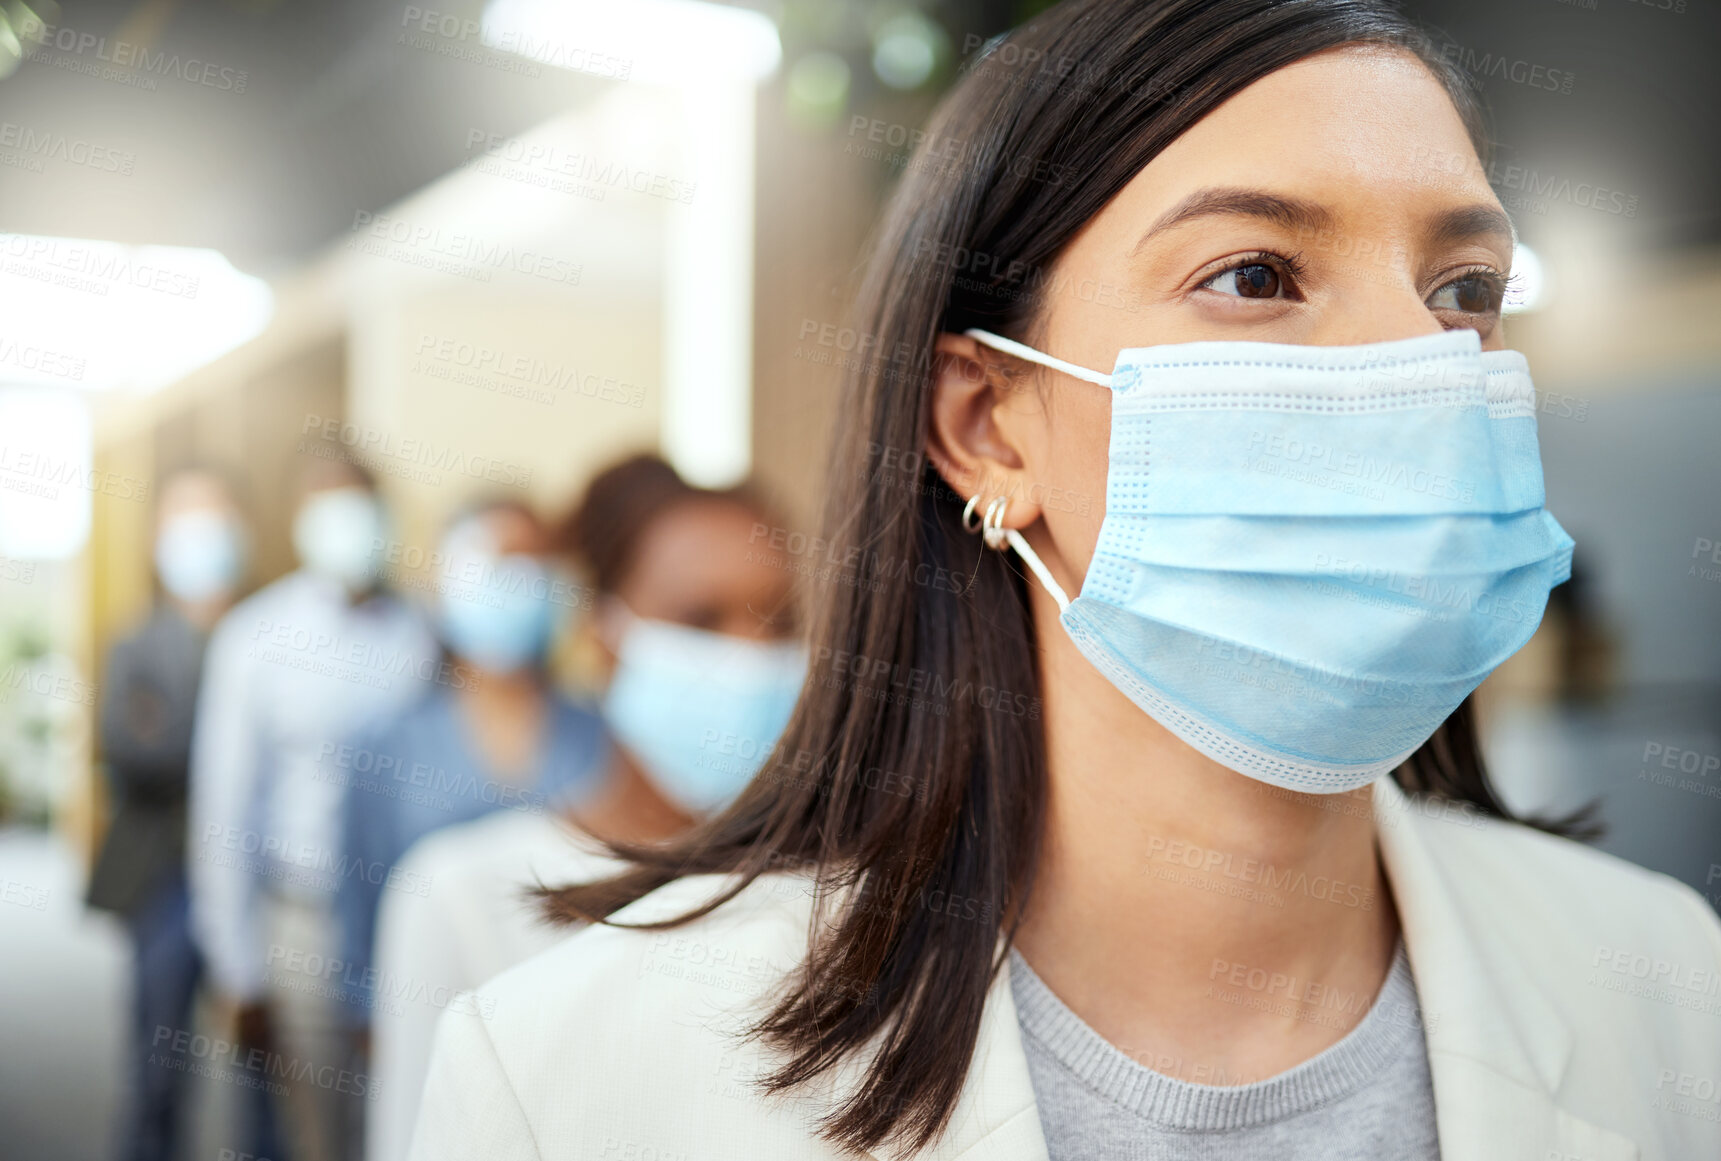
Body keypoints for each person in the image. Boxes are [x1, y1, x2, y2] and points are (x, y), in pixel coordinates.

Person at [411, 3, 1721, 1160]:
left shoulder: (1667, 986)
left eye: (1463, 288)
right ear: (986, 423)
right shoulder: (574, 1082)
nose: (1421, 365)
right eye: (1254, 274)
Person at [366, 456, 803, 1161]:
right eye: (701, 619)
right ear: (604, 636)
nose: (751, 658)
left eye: (779, 622)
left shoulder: (826, 894)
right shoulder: (460, 893)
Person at [189, 458, 438, 1161]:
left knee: (411, 1123)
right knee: (321, 1135)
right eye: (328, 507)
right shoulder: (256, 636)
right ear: (300, 522)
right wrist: (236, 964)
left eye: (360, 506)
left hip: (406, 919)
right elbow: (225, 807)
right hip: (305, 921)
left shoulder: (423, 631)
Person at [332, 499, 608, 1041]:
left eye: (536, 565)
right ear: (443, 581)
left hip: (571, 1030)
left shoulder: (601, 736)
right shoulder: (387, 743)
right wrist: (371, 1029)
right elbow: (357, 909)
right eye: (499, 563)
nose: (519, 582)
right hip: (427, 1026)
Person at [88, 467, 248, 1161]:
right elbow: (127, 750)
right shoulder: (135, 642)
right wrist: (227, 742)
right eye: (184, 518)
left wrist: (174, 729)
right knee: (158, 1062)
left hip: (250, 873)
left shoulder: (264, 633)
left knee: (266, 1072)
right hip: (163, 876)